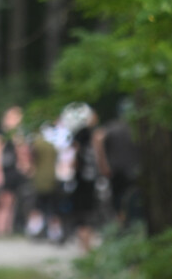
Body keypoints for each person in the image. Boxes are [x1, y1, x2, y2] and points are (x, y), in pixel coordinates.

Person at [96, 97, 141, 228]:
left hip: (118, 170)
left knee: (121, 200)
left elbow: (98, 138)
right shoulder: (135, 127)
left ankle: (124, 225)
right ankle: (128, 226)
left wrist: (103, 164)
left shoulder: (113, 127)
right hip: (129, 170)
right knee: (130, 199)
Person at [62, 103, 101, 252]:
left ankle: (85, 247)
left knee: (83, 216)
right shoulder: (88, 135)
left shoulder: (80, 137)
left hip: (81, 180)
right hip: (88, 181)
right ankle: (86, 248)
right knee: (86, 216)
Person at [0, 105, 30, 236]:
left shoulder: (17, 136)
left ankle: (6, 229)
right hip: (3, 172)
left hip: (13, 172)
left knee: (11, 202)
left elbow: (22, 154)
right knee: (2, 202)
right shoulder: (0, 135)